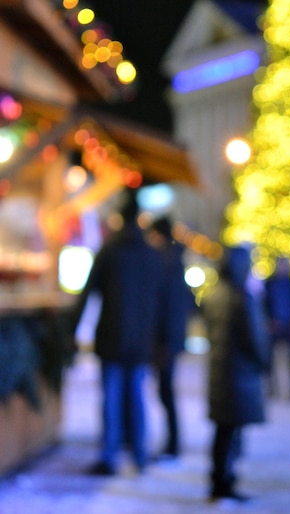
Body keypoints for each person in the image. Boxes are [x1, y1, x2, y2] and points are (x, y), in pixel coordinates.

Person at [72, 191, 166, 475]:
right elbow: (161, 300)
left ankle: (109, 455)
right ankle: (139, 454)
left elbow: (87, 294)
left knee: (111, 397)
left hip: (111, 336)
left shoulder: (109, 251)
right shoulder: (151, 254)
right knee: (136, 396)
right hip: (140, 340)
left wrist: (72, 331)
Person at [201, 246, 270, 503]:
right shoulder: (242, 298)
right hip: (239, 374)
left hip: (220, 371)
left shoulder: (215, 295)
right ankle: (224, 481)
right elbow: (254, 338)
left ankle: (219, 478)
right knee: (232, 431)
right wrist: (264, 361)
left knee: (223, 430)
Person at [148, 216, 196, 461]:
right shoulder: (175, 263)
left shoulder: (166, 264)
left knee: (166, 392)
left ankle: (173, 444)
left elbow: (167, 308)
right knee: (166, 392)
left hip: (166, 341)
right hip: (171, 339)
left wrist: (165, 341)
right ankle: (172, 443)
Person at [264, 257, 290, 399]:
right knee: (271, 360)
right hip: (273, 326)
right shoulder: (270, 284)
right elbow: (265, 304)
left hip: (289, 325)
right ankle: (272, 387)